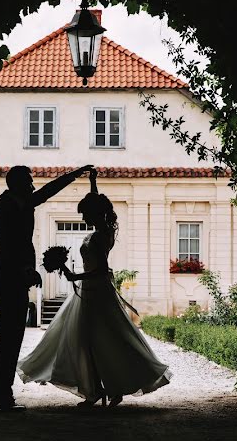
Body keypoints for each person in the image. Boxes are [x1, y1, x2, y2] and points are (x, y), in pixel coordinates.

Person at [17, 168, 172, 407]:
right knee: (86, 341)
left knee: (103, 341)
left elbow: (101, 269)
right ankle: (95, 389)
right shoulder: (101, 230)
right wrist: (92, 181)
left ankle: (111, 388)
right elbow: (96, 202)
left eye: (85, 214)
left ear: (95, 214)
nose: (83, 219)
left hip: (97, 292)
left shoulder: (100, 237)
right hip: (88, 291)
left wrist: (74, 275)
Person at [0, 164, 94, 411]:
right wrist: (25, 270)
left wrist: (74, 175)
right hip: (9, 277)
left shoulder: (20, 203)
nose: (32, 185)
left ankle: (2, 395)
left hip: (13, 277)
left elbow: (47, 191)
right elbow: (9, 245)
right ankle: (0, 397)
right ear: (16, 184)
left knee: (11, 338)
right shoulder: (6, 207)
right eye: (28, 181)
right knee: (9, 338)